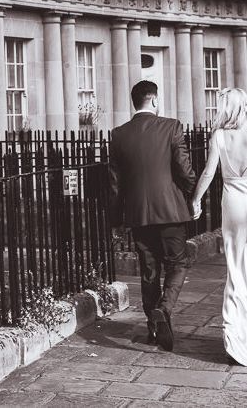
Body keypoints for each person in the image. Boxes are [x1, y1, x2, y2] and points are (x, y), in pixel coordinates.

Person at [109, 80, 196, 351]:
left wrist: (116, 220)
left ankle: (153, 327)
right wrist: (193, 195)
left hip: (138, 215)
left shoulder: (119, 134)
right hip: (171, 211)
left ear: (134, 102)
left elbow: (114, 183)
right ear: (155, 100)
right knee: (178, 264)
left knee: (149, 271)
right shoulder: (171, 126)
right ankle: (164, 309)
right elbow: (185, 170)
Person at [191, 88, 247, 366]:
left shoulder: (219, 135)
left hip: (234, 203)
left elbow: (208, 172)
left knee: (236, 271)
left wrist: (196, 200)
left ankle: (236, 343)